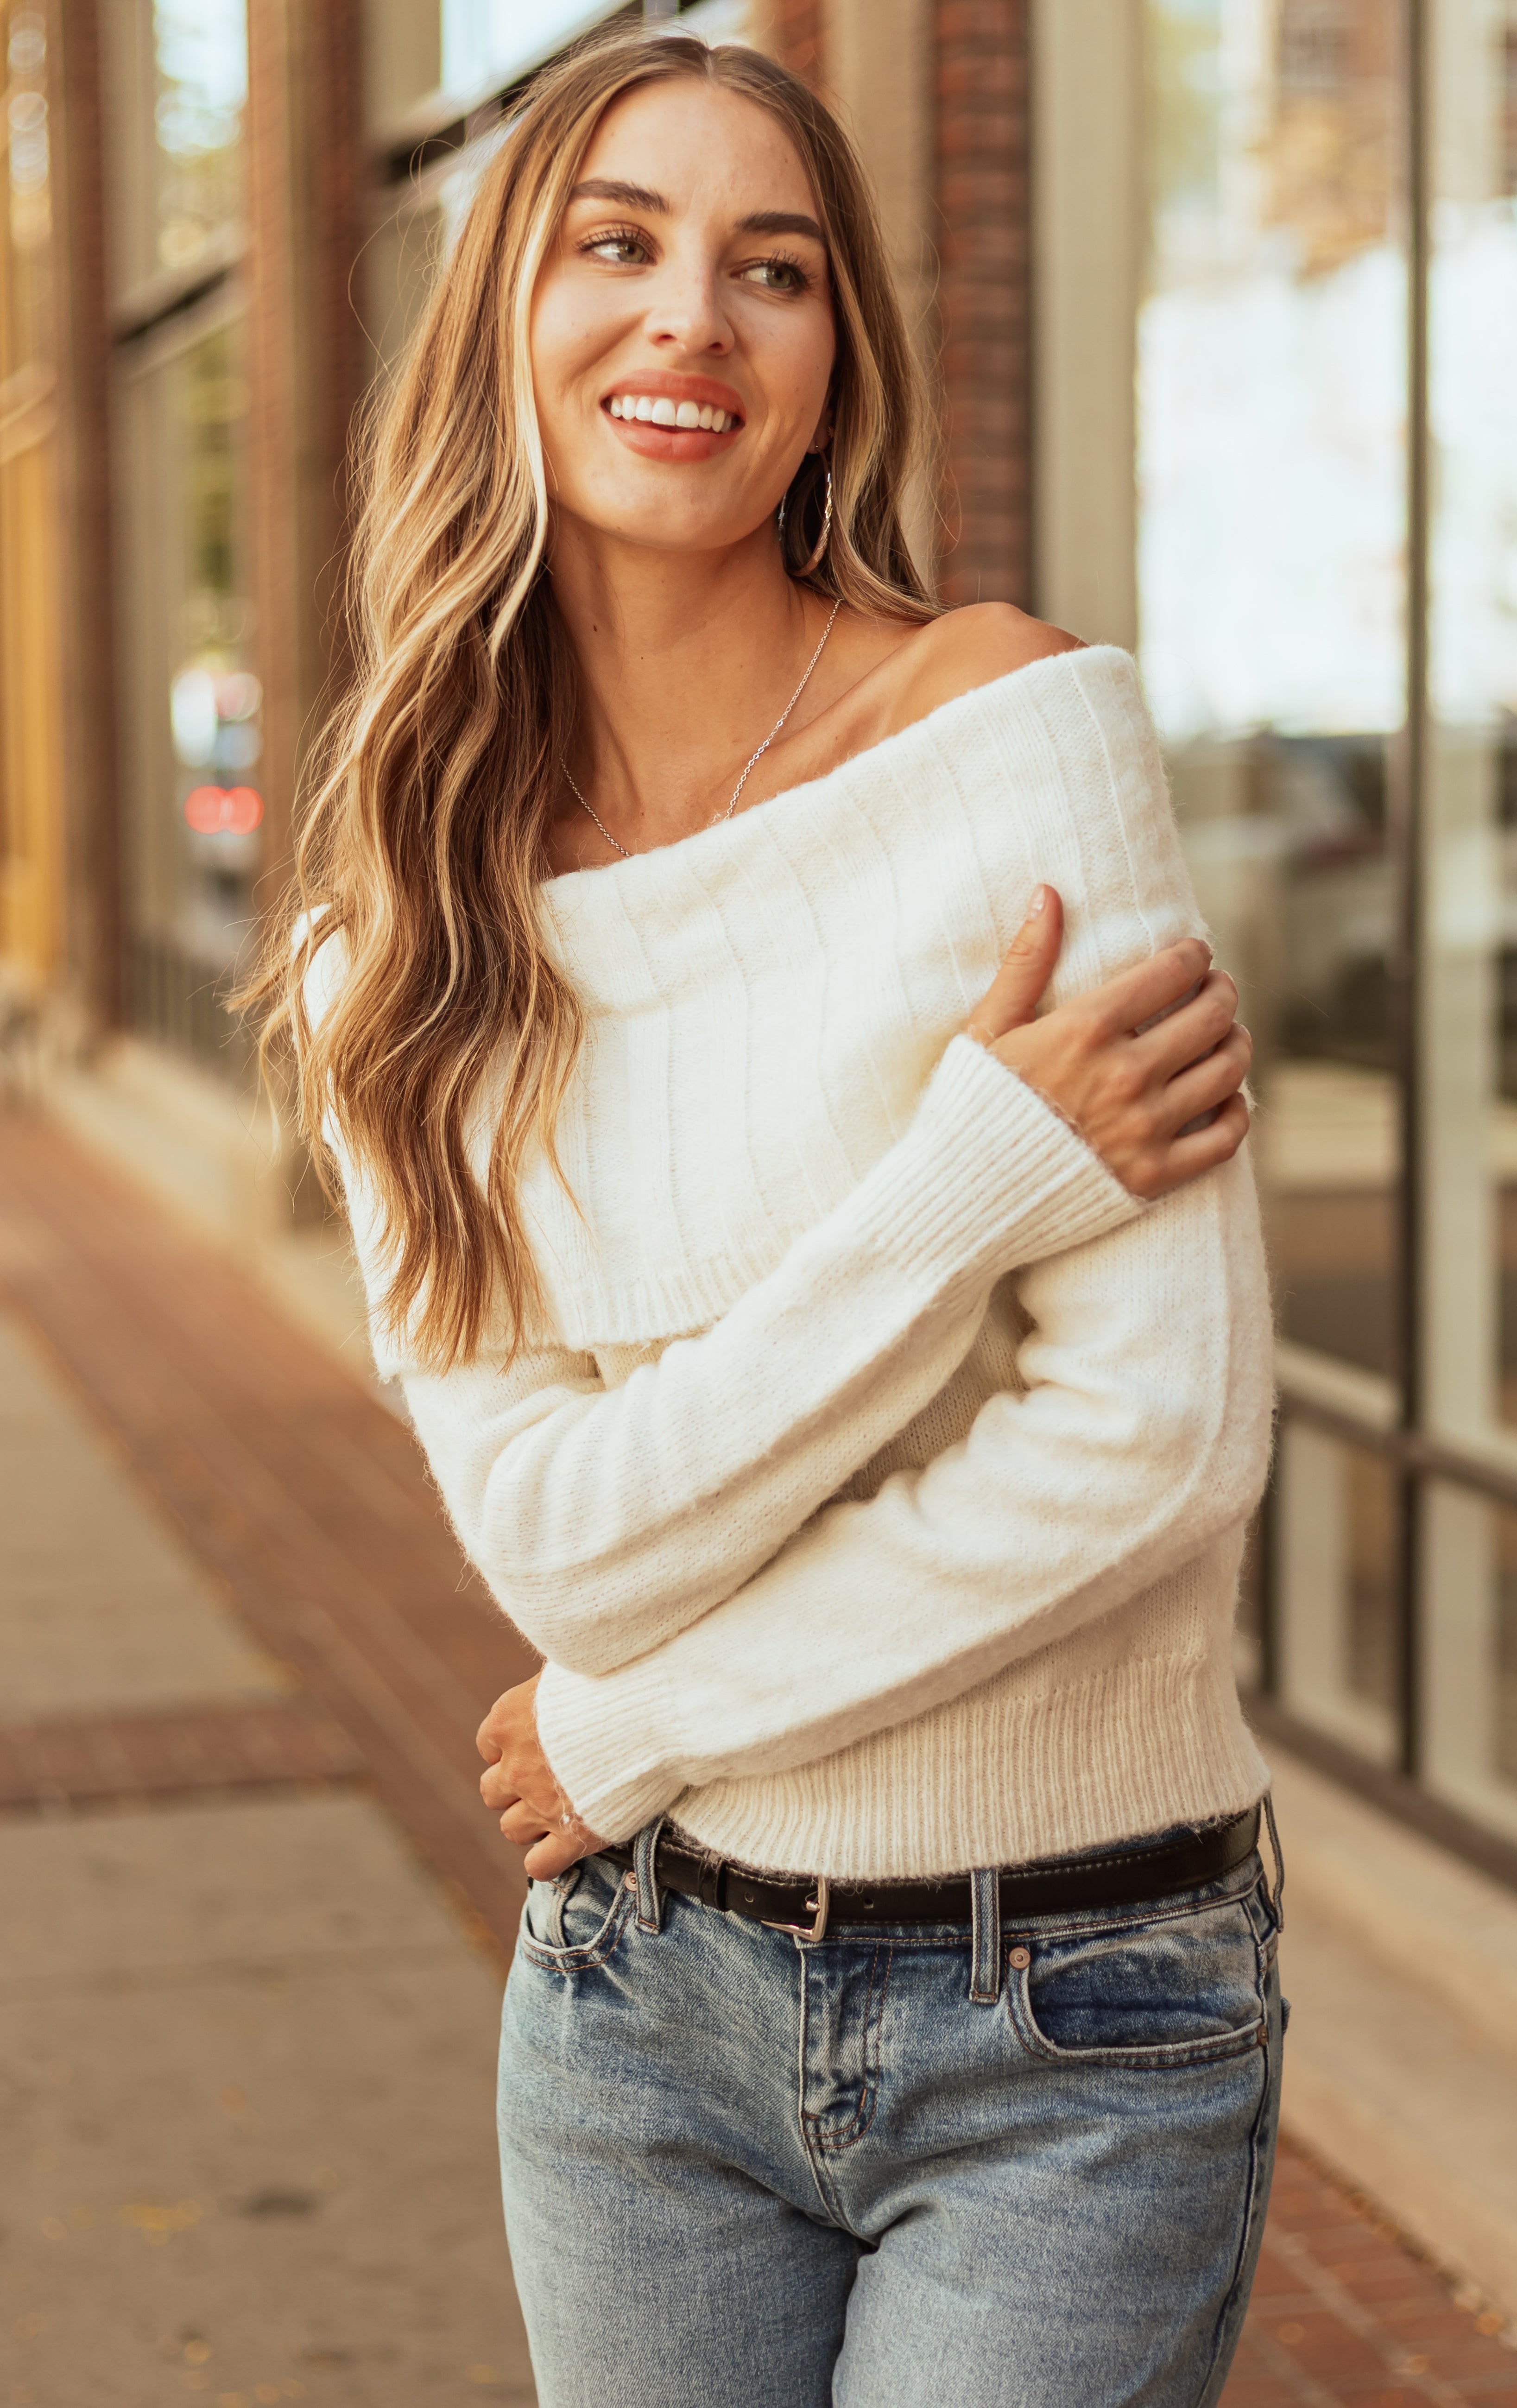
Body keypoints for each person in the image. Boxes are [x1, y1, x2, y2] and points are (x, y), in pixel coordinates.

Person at [263, 27, 1280, 2406]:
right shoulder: (394, 950)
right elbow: (568, 1550)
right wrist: (966, 1187)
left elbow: (1151, 1441)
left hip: (1075, 2009)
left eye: (772, 269)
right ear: (504, 318)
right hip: (636, 2027)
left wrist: (649, 1723)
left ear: (838, 371)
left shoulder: (1006, 736)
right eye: (615, 246)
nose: (688, 322)